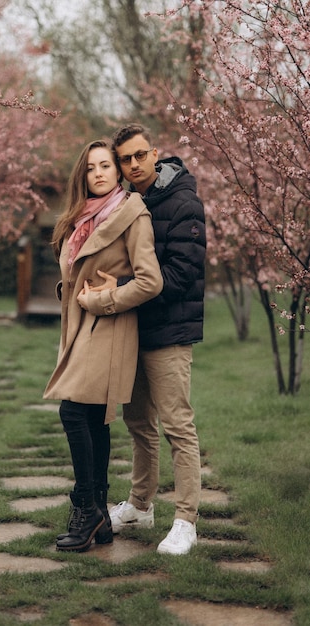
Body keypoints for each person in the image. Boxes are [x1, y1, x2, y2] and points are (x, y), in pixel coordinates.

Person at [43, 139, 163, 553]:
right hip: (81, 327)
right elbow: (80, 270)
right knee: (92, 418)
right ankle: (99, 520)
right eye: (91, 167)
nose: (98, 173)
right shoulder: (81, 218)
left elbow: (150, 281)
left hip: (109, 327)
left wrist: (100, 300)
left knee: (72, 410)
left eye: (106, 165)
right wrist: (72, 288)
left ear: (117, 172)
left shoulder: (132, 214)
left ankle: (86, 507)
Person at [96, 123, 206, 555]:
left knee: (177, 425)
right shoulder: (125, 202)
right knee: (138, 423)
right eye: (126, 158)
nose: (134, 164)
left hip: (169, 331)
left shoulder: (183, 201)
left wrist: (123, 288)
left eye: (141, 155)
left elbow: (181, 276)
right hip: (132, 330)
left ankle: (186, 520)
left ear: (155, 154)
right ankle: (141, 506)